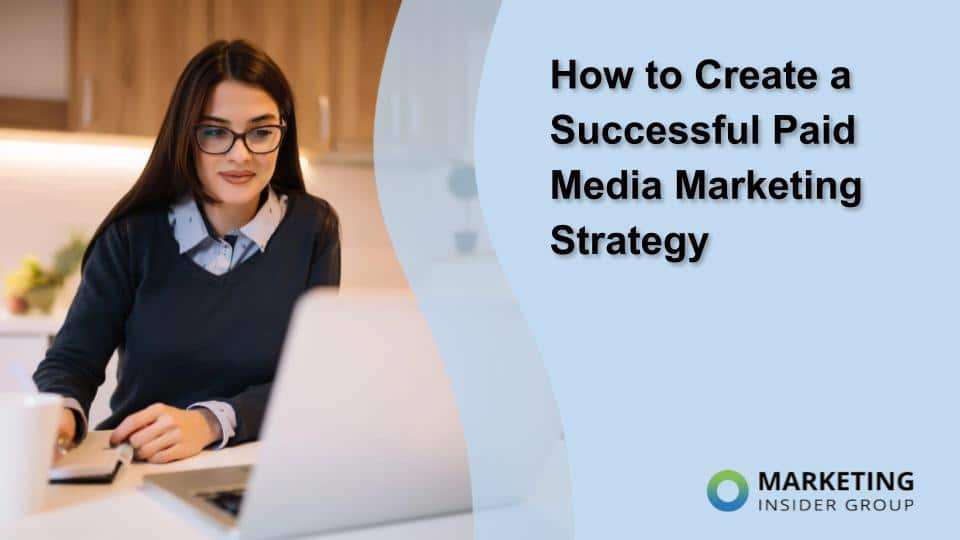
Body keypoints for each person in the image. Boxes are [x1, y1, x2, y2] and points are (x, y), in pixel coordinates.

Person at [32, 40, 341, 464]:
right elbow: (73, 360)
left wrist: (210, 423)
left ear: (281, 133)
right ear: (186, 136)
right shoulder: (132, 234)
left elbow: (311, 380)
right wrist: (59, 417)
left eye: (261, 131)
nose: (240, 154)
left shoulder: (313, 228)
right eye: (215, 131)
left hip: (265, 469)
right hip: (142, 464)